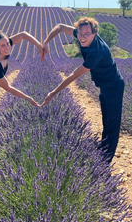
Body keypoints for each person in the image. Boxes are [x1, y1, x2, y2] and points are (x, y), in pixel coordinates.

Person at [40, 17, 125, 162]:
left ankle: (105, 162)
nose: (82, 37)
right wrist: (46, 42)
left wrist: (53, 93)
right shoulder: (81, 35)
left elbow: (73, 75)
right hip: (103, 85)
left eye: (86, 34)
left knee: (112, 124)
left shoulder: (97, 52)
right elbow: (60, 27)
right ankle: (102, 150)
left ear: (94, 34)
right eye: (80, 33)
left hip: (114, 86)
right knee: (106, 120)